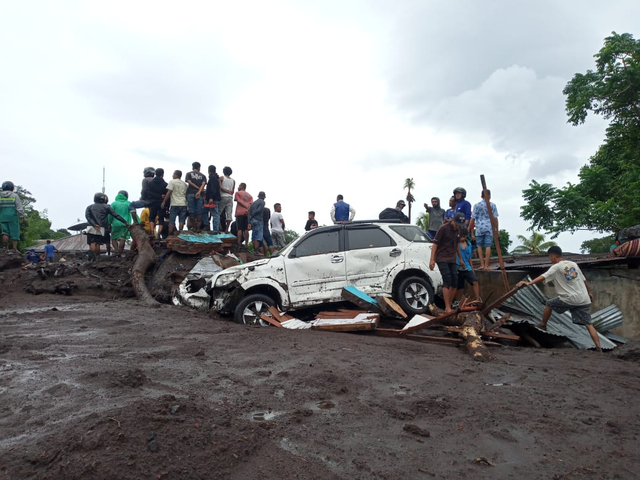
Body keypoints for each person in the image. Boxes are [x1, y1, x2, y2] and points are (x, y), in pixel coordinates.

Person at [517, 246, 602, 352]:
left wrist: (528, 283)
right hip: (583, 299)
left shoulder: (556, 267)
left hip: (569, 299)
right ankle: (599, 348)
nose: (550, 259)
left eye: (549, 257)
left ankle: (543, 324)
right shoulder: (573, 264)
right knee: (589, 324)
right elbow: (584, 280)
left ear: (552, 256)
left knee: (549, 304)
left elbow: (543, 276)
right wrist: (589, 293)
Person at [429, 212, 466, 313]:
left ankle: (449, 304)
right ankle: (447, 307)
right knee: (447, 279)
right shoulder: (443, 228)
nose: (458, 226)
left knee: (455, 281)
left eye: (460, 225)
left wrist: (461, 259)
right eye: (457, 224)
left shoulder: (459, 230)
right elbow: (435, 244)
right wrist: (432, 259)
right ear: (452, 220)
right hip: (441, 257)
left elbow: (457, 245)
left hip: (452, 258)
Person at [85, 193, 129, 261]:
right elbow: (116, 215)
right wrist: (125, 222)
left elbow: (87, 216)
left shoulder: (89, 207)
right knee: (98, 243)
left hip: (91, 226)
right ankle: (96, 258)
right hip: (101, 227)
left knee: (92, 243)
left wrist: (94, 224)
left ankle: (92, 256)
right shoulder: (106, 207)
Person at [469, 189, 499, 270]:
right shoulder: (492, 205)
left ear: (481, 196)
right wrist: (497, 230)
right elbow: (495, 218)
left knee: (479, 246)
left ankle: (482, 264)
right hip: (489, 227)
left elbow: (472, 218)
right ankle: (486, 265)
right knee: (488, 246)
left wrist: (468, 228)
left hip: (479, 227)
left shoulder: (477, 205)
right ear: (489, 196)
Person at [456, 229, 481, 302]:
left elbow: (470, 258)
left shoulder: (469, 244)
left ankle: (477, 299)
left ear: (466, 236)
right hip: (457, 266)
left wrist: (472, 269)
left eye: (463, 237)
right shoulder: (456, 244)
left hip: (466, 267)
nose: (462, 238)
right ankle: (458, 301)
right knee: (459, 287)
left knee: (475, 281)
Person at [0, 181, 26, 251]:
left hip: (2, 217)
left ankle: (6, 247)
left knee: (5, 232)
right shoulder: (14, 195)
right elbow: (19, 207)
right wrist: (22, 217)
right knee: (15, 232)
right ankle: (14, 248)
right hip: (13, 217)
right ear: (12, 188)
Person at [162, 170, 188, 235]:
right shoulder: (184, 184)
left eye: (173, 174)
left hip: (174, 204)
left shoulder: (172, 182)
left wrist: (164, 201)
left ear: (176, 175)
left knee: (172, 220)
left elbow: (169, 192)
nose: (172, 175)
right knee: (181, 220)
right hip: (183, 203)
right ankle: (180, 233)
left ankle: (170, 235)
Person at [185, 162, 207, 231]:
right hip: (199, 195)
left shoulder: (188, 174)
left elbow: (189, 182)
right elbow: (203, 185)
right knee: (199, 211)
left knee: (191, 210)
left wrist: (197, 189)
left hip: (190, 193)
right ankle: (198, 228)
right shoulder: (203, 176)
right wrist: (199, 191)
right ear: (199, 168)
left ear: (192, 167)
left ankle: (193, 227)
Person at [109, 190, 132, 256]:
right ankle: (120, 252)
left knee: (113, 238)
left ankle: (116, 251)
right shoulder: (128, 203)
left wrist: (109, 223)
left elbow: (110, 215)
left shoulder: (113, 204)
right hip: (125, 223)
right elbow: (133, 213)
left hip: (115, 224)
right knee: (122, 238)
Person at [147, 168, 168, 238]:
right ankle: (159, 234)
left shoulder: (151, 183)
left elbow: (149, 193)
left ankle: (152, 232)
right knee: (161, 218)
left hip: (153, 202)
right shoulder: (165, 184)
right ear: (163, 174)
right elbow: (167, 195)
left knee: (152, 217)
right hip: (162, 203)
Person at [205, 165, 222, 232]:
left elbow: (213, 188)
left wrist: (211, 197)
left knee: (215, 214)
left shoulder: (212, 178)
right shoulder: (216, 178)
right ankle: (212, 228)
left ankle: (215, 229)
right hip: (216, 198)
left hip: (213, 199)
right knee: (214, 213)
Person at [218, 167, 235, 233]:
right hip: (230, 197)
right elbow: (232, 191)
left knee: (218, 213)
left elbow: (220, 187)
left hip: (223, 196)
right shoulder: (233, 181)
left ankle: (219, 227)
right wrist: (229, 192)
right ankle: (226, 229)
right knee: (229, 213)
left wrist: (226, 191)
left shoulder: (221, 178)